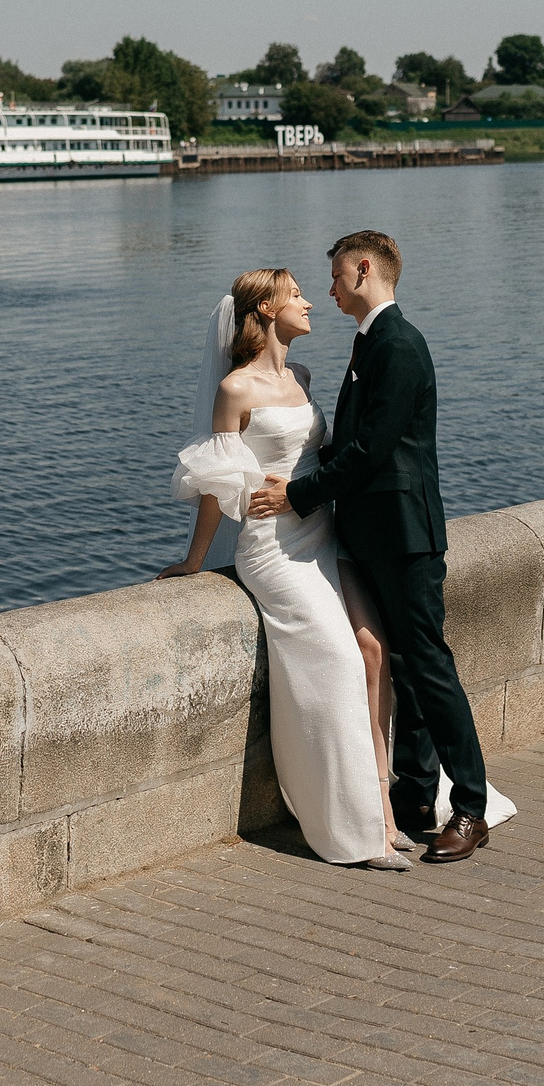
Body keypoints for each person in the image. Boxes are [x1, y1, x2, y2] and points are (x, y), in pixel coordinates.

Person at [250, 229, 505, 864]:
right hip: (374, 533)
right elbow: (352, 444)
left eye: (336, 276)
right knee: (410, 674)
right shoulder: (372, 343)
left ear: (365, 270)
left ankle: (469, 808)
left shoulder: (399, 344)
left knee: (429, 666)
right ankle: (418, 795)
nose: (329, 289)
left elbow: (373, 451)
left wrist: (300, 494)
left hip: (405, 536)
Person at [157, 268, 412, 870]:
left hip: (321, 534)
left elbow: (318, 456)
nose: (309, 302)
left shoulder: (302, 376)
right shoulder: (235, 390)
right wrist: (195, 561)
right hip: (273, 549)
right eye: (296, 294)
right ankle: (357, 834)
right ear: (267, 310)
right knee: (344, 662)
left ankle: (386, 813)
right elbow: (217, 488)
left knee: (375, 651)